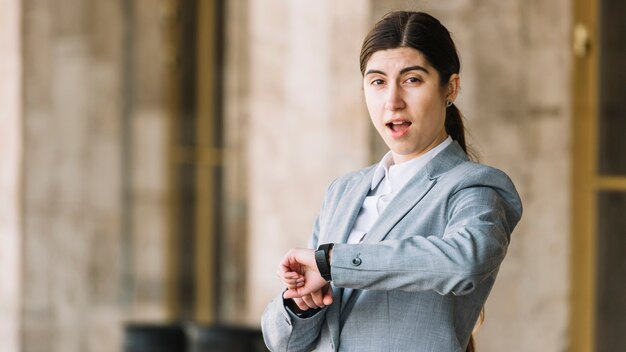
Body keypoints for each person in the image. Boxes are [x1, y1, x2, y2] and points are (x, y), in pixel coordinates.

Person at [261, 10, 522, 352]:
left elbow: (466, 260)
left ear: (451, 88)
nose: (393, 101)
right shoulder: (344, 191)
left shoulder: (474, 186)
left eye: (412, 79)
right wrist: (299, 305)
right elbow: (283, 342)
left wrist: (331, 263)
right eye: (378, 81)